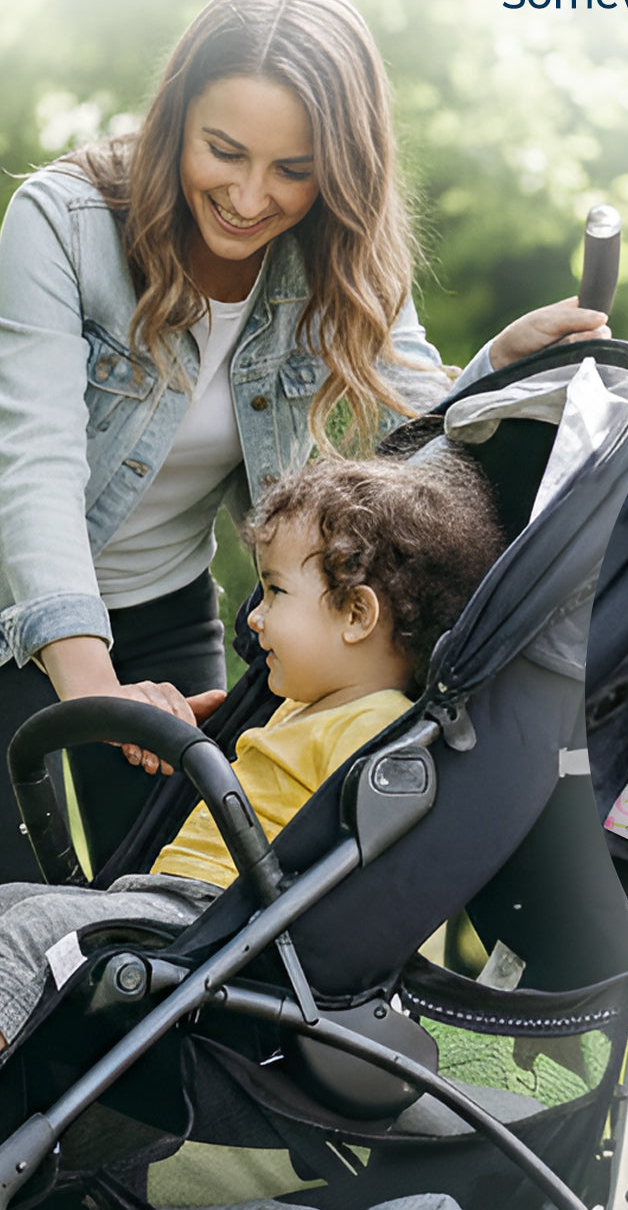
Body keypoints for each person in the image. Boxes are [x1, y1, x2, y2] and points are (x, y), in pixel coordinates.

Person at [0, 0, 606, 879]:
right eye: (224, 150)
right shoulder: (63, 224)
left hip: (162, 614)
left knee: (186, 913)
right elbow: (36, 466)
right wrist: (95, 695)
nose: (250, 197)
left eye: (293, 170)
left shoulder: (340, 260)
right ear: (175, 123)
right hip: (18, 608)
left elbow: (402, 453)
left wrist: (495, 370)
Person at [0, 446, 504, 1055]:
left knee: (27, 935)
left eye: (274, 593)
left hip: (216, 921)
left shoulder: (377, 729)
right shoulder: (299, 703)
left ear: (357, 613)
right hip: (162, 900)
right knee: (13, 905)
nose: (255, 618)